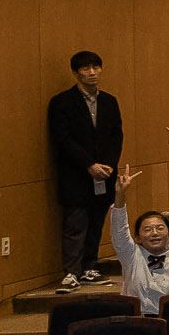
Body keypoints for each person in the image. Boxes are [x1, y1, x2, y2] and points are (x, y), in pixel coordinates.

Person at [48, 50, 122, 289]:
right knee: (75, 224)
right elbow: (63, 139)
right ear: (76, 72)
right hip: (76, 175)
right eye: (86, 69)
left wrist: (109, 164)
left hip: (105, 174)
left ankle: (90, 267)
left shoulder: (110, 101)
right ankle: (71, 272)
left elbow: (116, 136)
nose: (92, 73)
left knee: (97, 221)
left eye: (96, 67)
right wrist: (89, 165)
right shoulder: (61, 102)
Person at [105, 166, 169, 314]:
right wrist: (120, 196)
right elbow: (119, 230)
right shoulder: (131, 257)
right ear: (138, 238)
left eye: (160, 228)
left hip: (168, 323)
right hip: (135, 322)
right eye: (147, 230)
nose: (154, 233)